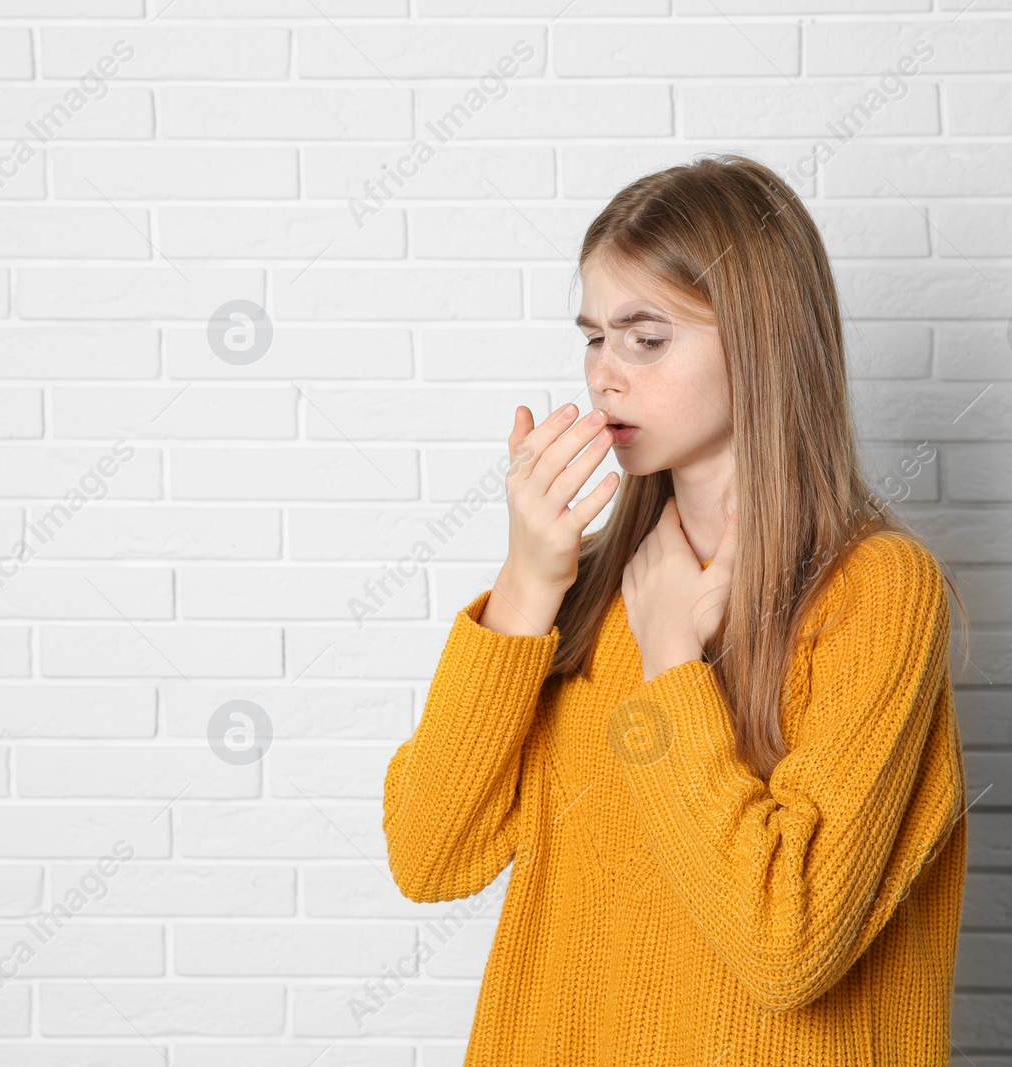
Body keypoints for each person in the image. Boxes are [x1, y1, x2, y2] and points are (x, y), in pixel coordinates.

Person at [381, 153, 973, 1066]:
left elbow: (788, 946)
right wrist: (528, 583)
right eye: (592, 337)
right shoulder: (571, 598)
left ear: (763, 341)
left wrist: (670, 663)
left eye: (645, 338)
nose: (604, 375)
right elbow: (429, 855)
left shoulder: (877, 592)